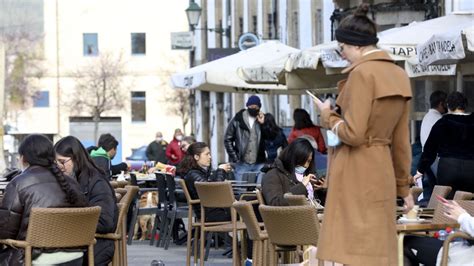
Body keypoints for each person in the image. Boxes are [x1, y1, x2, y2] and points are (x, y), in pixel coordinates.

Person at [312, 4, 414, 265]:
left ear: (356, 45)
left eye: (342, 48)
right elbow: (402, 141)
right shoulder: (399, 75)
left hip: (355, 170)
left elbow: (354, 134)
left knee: (353, 253)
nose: (342, 55)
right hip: (381, 170)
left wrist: (327, 116)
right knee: (377, 252)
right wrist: (404, 188)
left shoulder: (361, 74)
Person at [0, 134, 87, 266]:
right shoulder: (72, 183)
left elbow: (5, 232)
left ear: (23, 158)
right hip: (75, 256)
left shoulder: (18, 183)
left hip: (33, 256)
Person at [54, 136, 119, 265]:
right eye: (55, 163)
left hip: (94, 246)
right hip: (73, 244)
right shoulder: (68, 181)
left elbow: (105, 222)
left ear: (76, 159)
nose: (59, 167)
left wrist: (68, 222)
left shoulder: (96, 182)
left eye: (62, 162)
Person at [415, 92, 474, 199]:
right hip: (471, 168)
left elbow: (430, 150)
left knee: (447, 204)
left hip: (448, 167)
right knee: (469, 203)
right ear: (465, 105)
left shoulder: (442, 122)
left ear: (448, 106)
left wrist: (420, 170)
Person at [404, 200, 474, 265]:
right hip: (460, 246)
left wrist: (462, 216)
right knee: (407, 240)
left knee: (404, 243)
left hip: (462, 257)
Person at [261, 138, 325, 206]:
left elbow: (319, 202)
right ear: (292, 158)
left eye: (308, 161)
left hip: (310, 213)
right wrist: (302, 186)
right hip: (292, 215)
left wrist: (323, 190)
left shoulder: (307, 175)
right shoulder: (273, 175)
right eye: (302, 161)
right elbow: (275, 203)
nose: (306, 165)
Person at [180, 142, 232, 222]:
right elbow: (212, 190)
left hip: (211, 210)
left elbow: (212, 185)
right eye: (207, 154)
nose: (210, 157)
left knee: (247, 202)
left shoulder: (199, 172)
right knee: (249, 208)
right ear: (196, 157)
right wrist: (221, 171)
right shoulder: (193, 174)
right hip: (210, 213)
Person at [224, 95, 267, 181]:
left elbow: (270, 138)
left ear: (259, 107)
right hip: (241, 163)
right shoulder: (237, 120)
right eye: (251, 106)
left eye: (256, 107)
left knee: (259, 189)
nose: (253, 108)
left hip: (259, 162)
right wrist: (235, 157)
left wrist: (263, 124)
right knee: (241, 190)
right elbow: (228, 139)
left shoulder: (264, 119)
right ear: (247, 106)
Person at [418, 90, 447, 205]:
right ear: (440, 104)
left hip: (427, 160)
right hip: (435, 160)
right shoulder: (438, 120)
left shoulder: (427, 117)